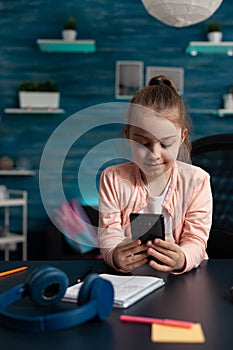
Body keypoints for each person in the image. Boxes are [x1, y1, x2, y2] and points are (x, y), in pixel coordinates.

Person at [98, 75, 213, 274]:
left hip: (185, 280)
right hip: (133, 279)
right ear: (128, 136)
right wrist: (115, 255)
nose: (154, 154)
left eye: (166, 144)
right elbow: (109, 234)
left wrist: (182, 258)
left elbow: (196, 240)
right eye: (143, 144)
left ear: (182, 137)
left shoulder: (198, 181)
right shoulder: (112, 179)